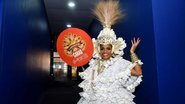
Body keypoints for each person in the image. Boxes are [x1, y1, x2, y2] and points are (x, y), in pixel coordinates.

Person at [77, 0, 143, 104]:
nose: (105, 51)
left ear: (113, 49)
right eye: (102, 48)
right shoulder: (95, 64)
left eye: (108, 48)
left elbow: (138, 72)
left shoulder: (119, 63)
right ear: (98, 49)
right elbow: (90, 83)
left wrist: (132, 52)